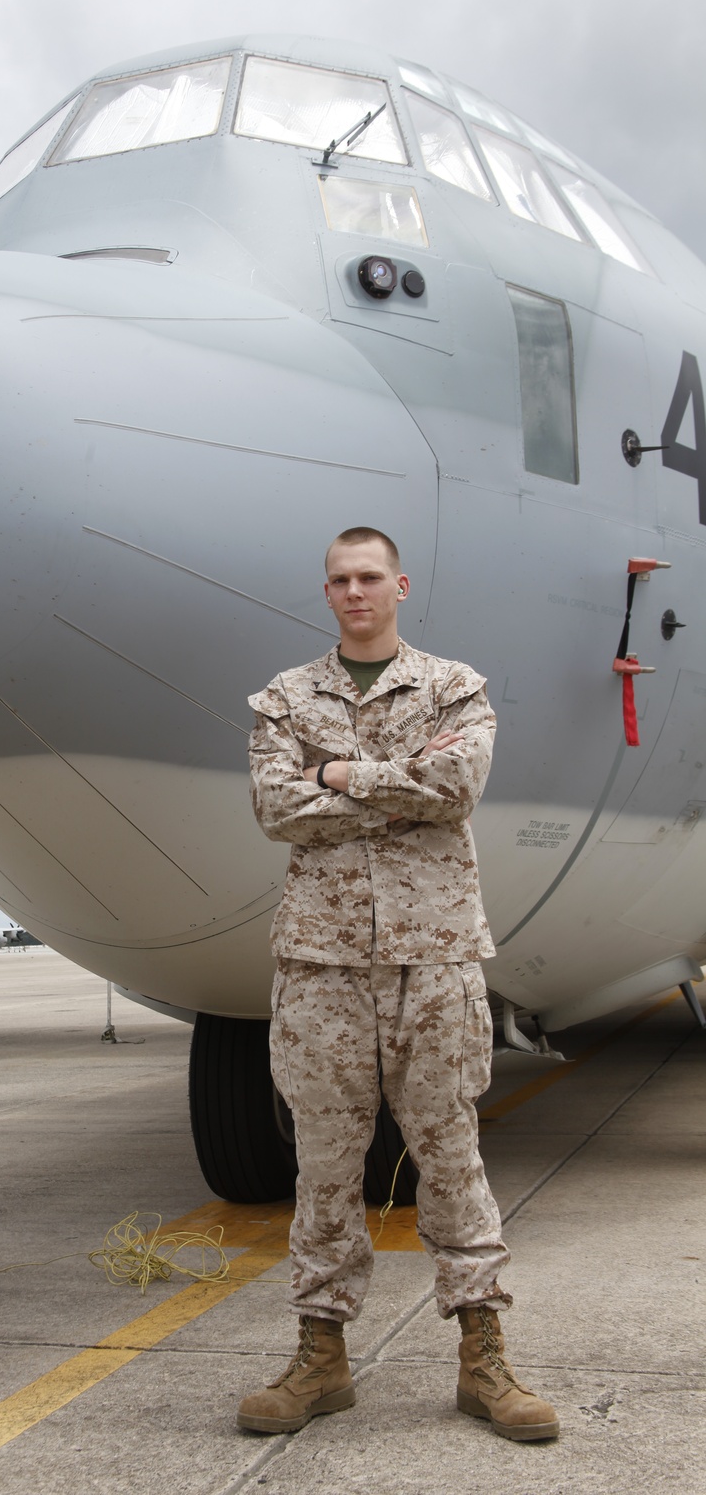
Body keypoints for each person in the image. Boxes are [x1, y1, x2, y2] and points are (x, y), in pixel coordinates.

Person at [238, 527, 558, 1443]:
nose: (354, 591)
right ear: (326, 591)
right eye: (339, 579)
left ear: (400, 585)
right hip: (322, 965)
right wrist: (398, 783)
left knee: (450, 1153)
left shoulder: (456, 687)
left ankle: (484, 1356)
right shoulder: (284, 698)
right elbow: (275, 808)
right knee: (323, 1164)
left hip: (434, 955)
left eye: (369, 576)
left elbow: (456, 787)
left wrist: (336, 771)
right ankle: (320, 1358)